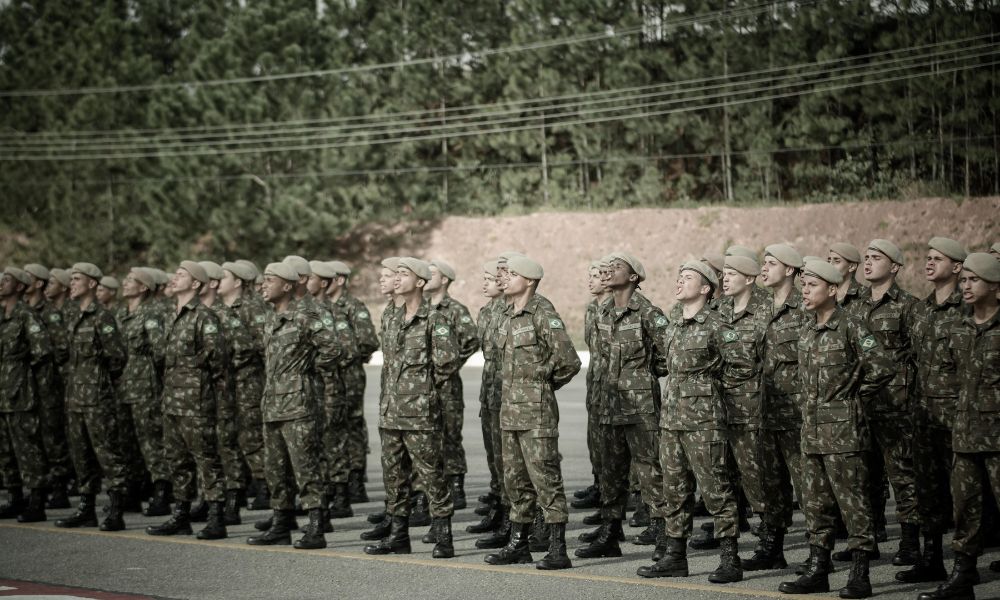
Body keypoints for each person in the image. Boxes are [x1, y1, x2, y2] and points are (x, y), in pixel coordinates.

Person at [778, 260, 893, 599]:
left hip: (843, 433)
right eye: (804, 286)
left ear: (831, 290)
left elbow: (883, 366)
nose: (805, 292)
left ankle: (860, 573)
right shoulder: (807, 330)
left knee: (853, 503)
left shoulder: (851, 326)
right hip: (811, 432)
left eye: (812, 286)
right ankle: (818, 569)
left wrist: (852, 396)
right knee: (815, 504)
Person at [637, 261, 747, 584]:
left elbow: (740, 366)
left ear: (705, 289)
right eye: (679, 277)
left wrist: (711, 390)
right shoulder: (672, 323)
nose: (680, 282)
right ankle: (675, 555)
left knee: (715, 489)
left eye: (688, 278)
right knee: (674, 490)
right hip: (671, 421)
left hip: (704, 422)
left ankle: (730, 558)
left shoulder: (716, 324)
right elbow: (662, 361)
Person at [484, 255, 581, 570]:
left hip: (536, 413)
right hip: (509, 412)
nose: (506, 278)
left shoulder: (543, 313)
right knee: (515, 481)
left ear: (528, 280)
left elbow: (568, 360)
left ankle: (557, 548)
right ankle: (518, 545)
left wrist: (541, 385)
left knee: (546, 479)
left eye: (512, 274)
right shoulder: (507, 315)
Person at [249, 261, 352, 550]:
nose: (263, 285)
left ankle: (316, 527)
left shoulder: (306, 315)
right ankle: (281, 524)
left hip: (299, 405)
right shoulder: (271, 318)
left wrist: (306, 370)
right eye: (263, 280)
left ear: (287, 285)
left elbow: (333, 348)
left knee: (305, 468)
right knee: (275, 469)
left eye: (270, 280)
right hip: (272, 405)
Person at [917, 253, 1000, 600]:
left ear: (995, 286)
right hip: (964, 436)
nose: (966, 286)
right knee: (965, 509)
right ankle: (962, 577)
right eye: (963, 280)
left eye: (974, 280)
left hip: (997, 439)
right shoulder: (959, 328)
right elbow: (947, 379)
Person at [364, 258, 459, 559]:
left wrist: (423, 391)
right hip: (391, 412)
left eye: (404, 274)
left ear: (419, 282)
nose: (397, 278)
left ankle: (444, 536)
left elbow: (447, 363)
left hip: (420, 414)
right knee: (394, 477)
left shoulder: (435, 319)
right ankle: (398, 536)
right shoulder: (392, 317)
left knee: (431, 476)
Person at [576, 253, 668, 562]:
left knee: (649, 468)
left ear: (633, 278)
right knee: (611, 471)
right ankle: (610, 532)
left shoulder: (648, 313)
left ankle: (663, 532)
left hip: (640, 405)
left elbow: (666, 356)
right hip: (609, 402)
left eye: (617, 268)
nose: (608, 271)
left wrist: (640, 378)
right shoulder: (602, 311)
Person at [897, 238, 968, 584]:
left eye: (937, 259)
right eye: (927, 258)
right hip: (923, 416)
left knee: (967, 494)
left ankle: (964, 566)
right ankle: (932, 558)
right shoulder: (920, 309)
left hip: (958, 418)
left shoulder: (967, 309)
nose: (928, 263)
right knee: (928, 491)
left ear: (957, 267)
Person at [846, 239, 920, 564]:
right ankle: (868, 539)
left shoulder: (908, 306)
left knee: (903, 475)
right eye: (866, 257)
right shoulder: (853, 306)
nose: (869, 262)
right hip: (862, 404)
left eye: (877, 258)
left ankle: (910, 541)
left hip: (896, 405)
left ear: (895, 267)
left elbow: (921, 357)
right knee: (864, 476)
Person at [145, 261, 228, 541]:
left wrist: (209, 395)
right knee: (177, 461)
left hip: (197, 403)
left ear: (195, 284)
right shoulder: (172, 315)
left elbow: (219, 362)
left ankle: (217, 517)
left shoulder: (204, 317)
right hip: (172, 401)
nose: (174, 278)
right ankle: (181, 514)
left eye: (181, 275)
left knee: (206, 460)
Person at [55, 263, 129, 532]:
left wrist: (98, 381)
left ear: (92, 285)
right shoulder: (73, 314)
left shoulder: (102, 317)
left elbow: (117, 358)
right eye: (71, 279)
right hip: (75, 397)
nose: (72, 283)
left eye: (77, 279)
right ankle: (86, 509)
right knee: (81, 454)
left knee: (107, 454)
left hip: (97, 397)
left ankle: (116, 510)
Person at [753, 244, 809, 568]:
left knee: (807, 488)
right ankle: (772, 549)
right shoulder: (762, 309)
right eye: (763, 262)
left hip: (797, 415)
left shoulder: (804, 307)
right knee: (771, 485)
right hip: (768, 412)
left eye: (771, 263)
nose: (764, 268)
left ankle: (819, 554)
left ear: (789, 270)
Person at [0, 267, 54, 523]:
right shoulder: (2, 316)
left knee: (28, 447)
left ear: (20, 287)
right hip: (3, 391)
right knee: (5, 449)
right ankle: (14, 496)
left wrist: (22, 373)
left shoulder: (25, 315)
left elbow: (42, 351)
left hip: (20, 391)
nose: (2, 283)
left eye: (7, 279)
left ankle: (36, 500)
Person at [425, 259, 480, 509]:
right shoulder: (420, 307)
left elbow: (471, 340)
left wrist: (450, 363)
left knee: (450, 436)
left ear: (444, 279)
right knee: (426, 439)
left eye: (432, 273)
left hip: (447, 386)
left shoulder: (455, 309)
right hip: (422, 386)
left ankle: (456, 487)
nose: (426, 276)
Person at [117, 268, 171, 517]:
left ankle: (161, 490)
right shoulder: (121, 314)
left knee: (151, 441)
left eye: (131, 281)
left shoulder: (151, 313)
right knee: (127, 442)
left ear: (143, 288)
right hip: (124, 385)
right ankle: (133, 490)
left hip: (145, 385)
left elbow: (161, 351)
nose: (125, 283)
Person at [326, 260, 379, 505]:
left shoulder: (352, 306)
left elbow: (368, 340)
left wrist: (346, 357)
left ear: (339, 280)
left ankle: (356, 479)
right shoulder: (319, 307)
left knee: (352, 425)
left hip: (349, 376)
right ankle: (337, 478)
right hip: (327, 378)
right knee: (331, 427)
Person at [219, 261, 269, 511]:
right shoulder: (219, 308)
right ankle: (234, 489)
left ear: (238, 282)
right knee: (227, 437)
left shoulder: (252, 307)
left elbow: (263, 348)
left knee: (251, 437)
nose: (218, 279)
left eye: (224, 276)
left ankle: (263, 485)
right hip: (225, 384)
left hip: (249, 382)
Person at [22, 263, 72, 508]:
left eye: (28, 277)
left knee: (52, 435)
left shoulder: (50, 313)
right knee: (30, 436)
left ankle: (59, 486)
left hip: (47, 382)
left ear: (39, 284)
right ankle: (36, 487)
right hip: (23, 384)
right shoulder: (21, 311)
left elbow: (61, 350)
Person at [468, 260, 508, 541]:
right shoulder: (485, 312)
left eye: (489, 278)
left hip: (512, 396)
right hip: (491, 392)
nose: (484, 283)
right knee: (495, 456)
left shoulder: (512, 310)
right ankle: (500, 507)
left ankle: (514, 518)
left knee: (511, 461)